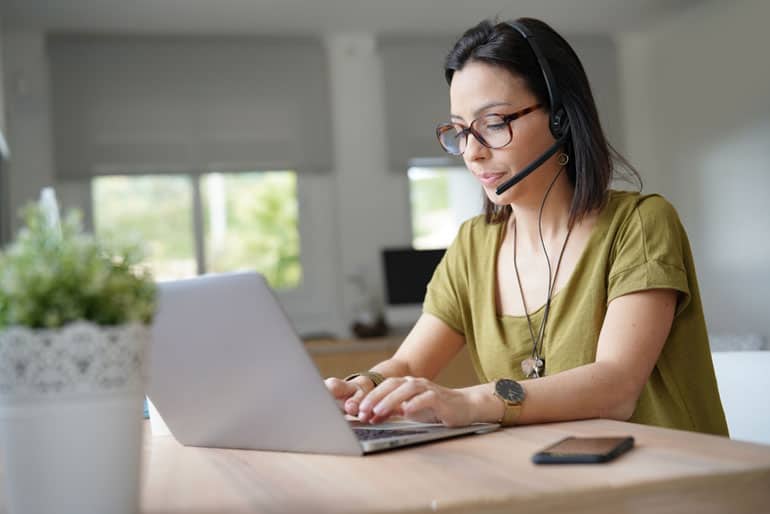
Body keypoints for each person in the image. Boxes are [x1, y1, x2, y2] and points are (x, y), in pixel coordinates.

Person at [325, 17, 728, 435]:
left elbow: (616, 386)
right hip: (553, 483)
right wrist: (359, 388)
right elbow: (408, 363)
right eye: (460, 131)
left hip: (671, 486)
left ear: (560, 118)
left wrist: (472, 400)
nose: (472, 153)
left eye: (493, 124)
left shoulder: (641, 224)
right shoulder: (473, 245)